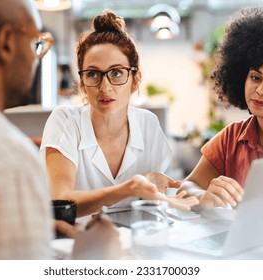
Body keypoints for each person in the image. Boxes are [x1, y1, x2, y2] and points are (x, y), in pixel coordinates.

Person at [0, 0, 119, 260]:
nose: (35, 57)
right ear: (6, 42)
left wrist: (26, 229)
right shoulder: (6, 160)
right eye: (35, 42)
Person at [40, 10, 198, 217]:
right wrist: (128, 189)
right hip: (76, 241)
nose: (105, 87)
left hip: (134, 240)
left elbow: (154, 205)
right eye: (93, 74)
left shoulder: (148, 125)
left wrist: (170, 191)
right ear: (82, 82)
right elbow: (61, 202)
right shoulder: (65, 121)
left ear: (135, 79)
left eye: (116, 73)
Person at [178, 7, 263, 210]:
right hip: (241, 241)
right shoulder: (230, 139)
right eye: (255, 77)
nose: (261, 90)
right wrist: (203, 196)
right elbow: (186, 187)